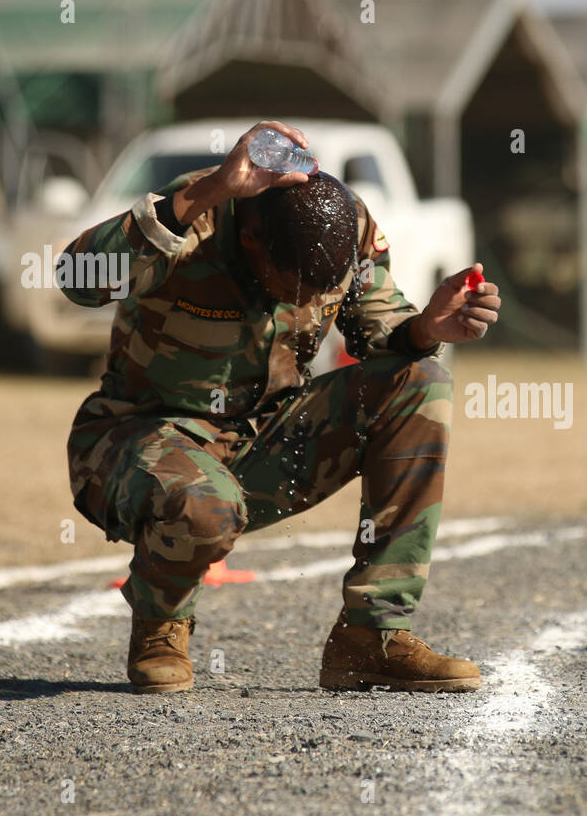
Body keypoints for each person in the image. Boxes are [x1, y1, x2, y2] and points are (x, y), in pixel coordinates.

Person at [56, 120, 501, 694]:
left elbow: (378, 334)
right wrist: (205, 192)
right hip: (141, 442)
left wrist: (424, 328)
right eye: (291, 286)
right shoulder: (196, 215)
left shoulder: (346, 226)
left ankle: (372, 637)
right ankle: (161, 625)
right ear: (249, 243)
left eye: (321, 290)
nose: (309, 303)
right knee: (203, 504)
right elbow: (75, 278)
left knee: (421, 381)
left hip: (266, 442)